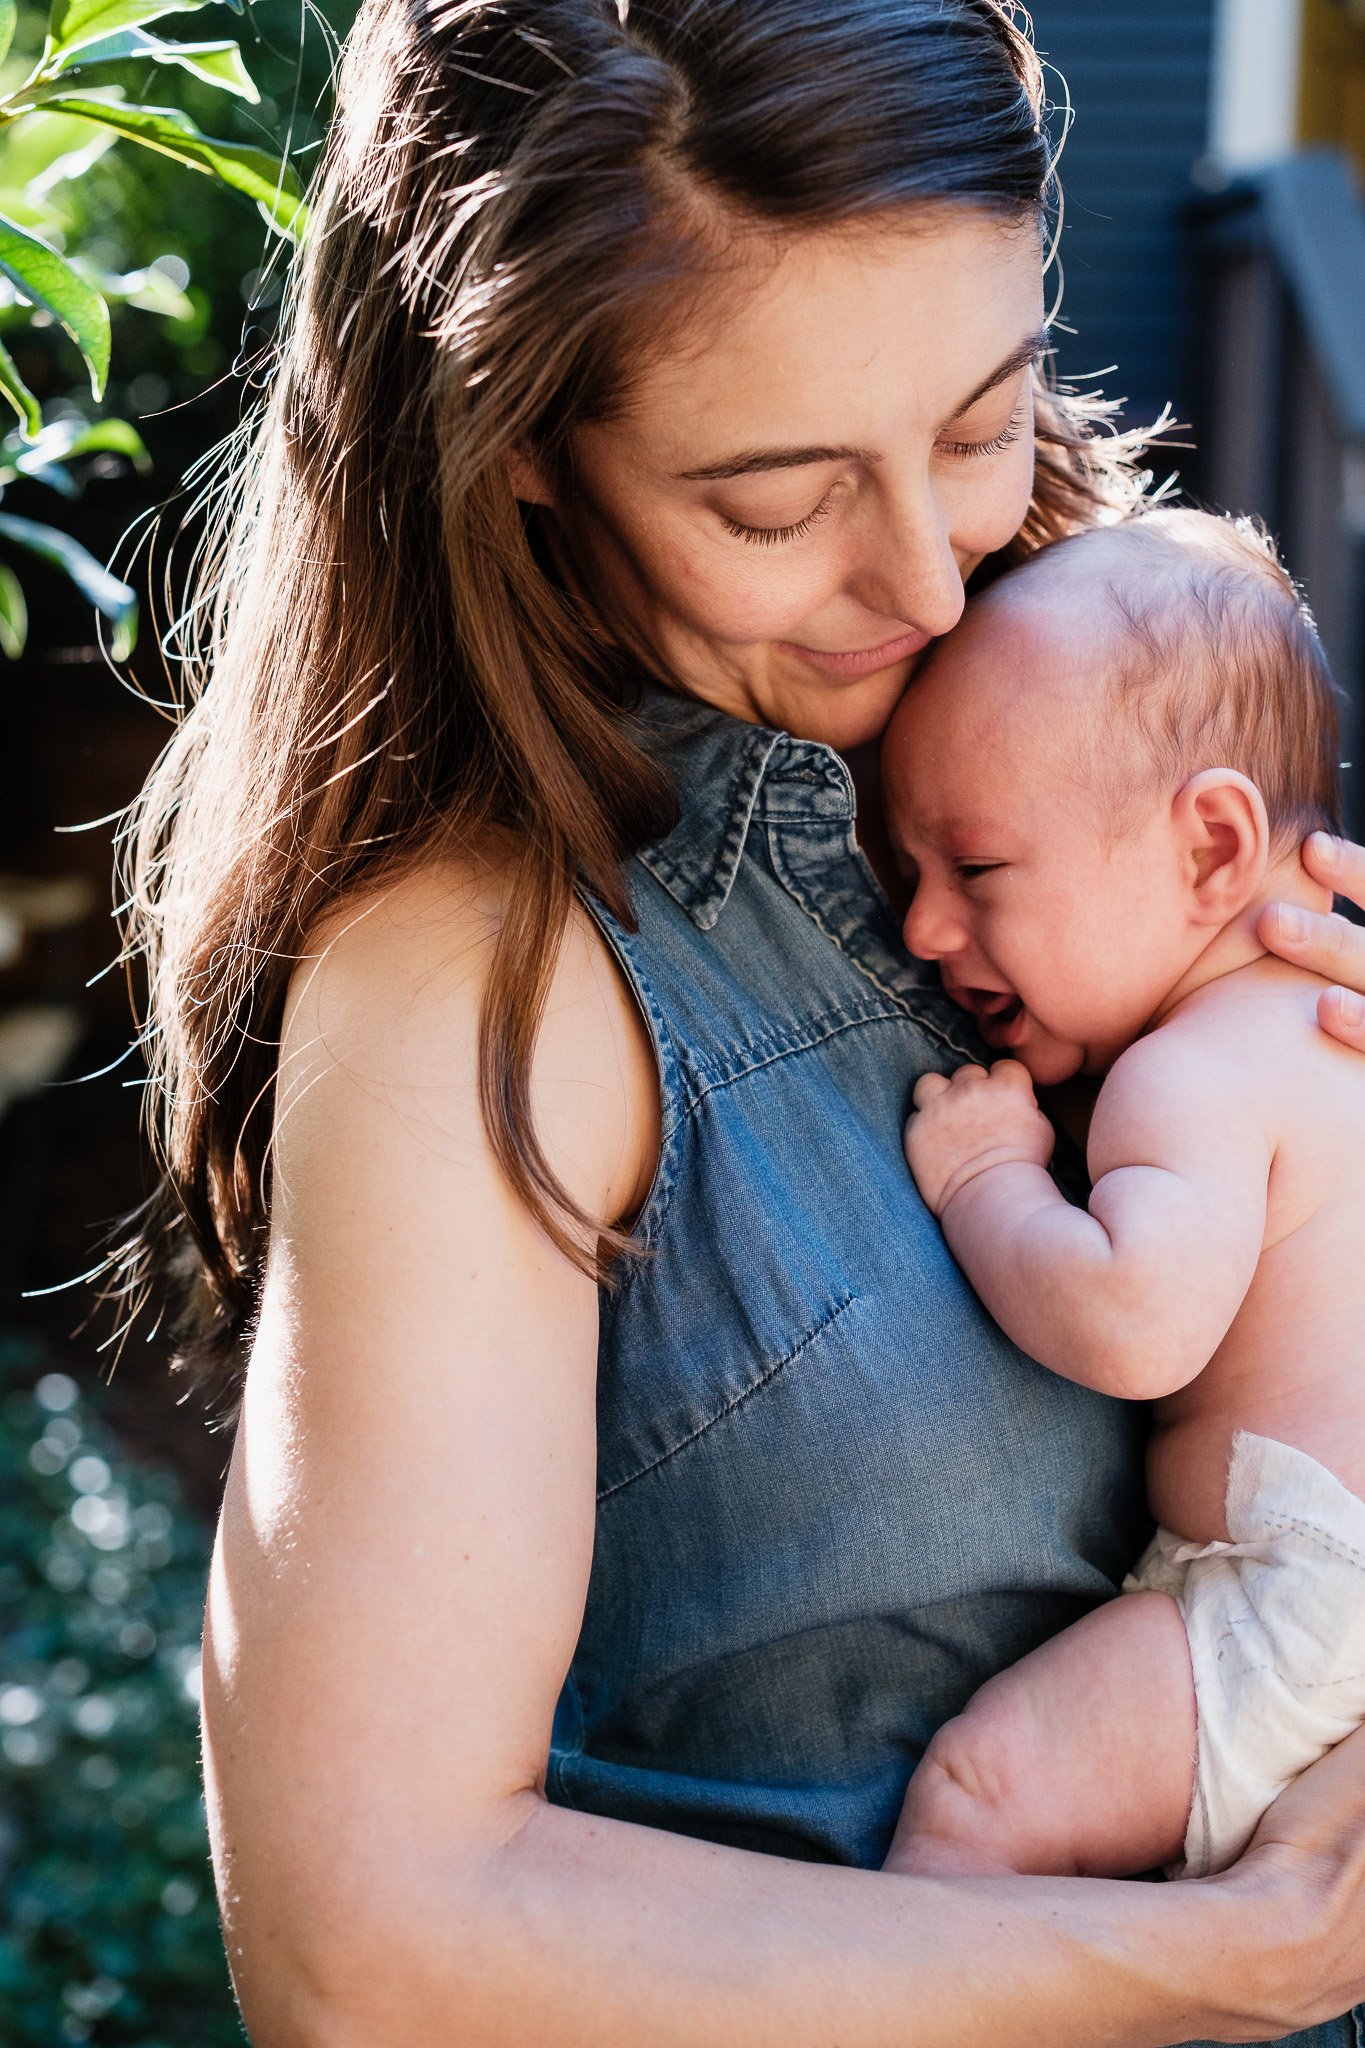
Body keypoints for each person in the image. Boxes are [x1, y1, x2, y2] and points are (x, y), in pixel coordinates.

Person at [121, 1, 1365, 2040]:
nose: (932, 581)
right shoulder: (483, 981)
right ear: (527, 465)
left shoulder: (1099, 747)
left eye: (977, 422)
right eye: (774, 507)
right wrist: (1218, 1958)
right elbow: (374, 1951)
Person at [879, 508, 1365, 1886]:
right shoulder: (1327, 1019)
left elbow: (1135, 1322)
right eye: (905, 875)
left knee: (984, 1797)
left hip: (1302, 1596)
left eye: (971, 868)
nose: (921, 929)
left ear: (1210, 849)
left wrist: (987, 1183)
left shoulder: (1193, 1071)